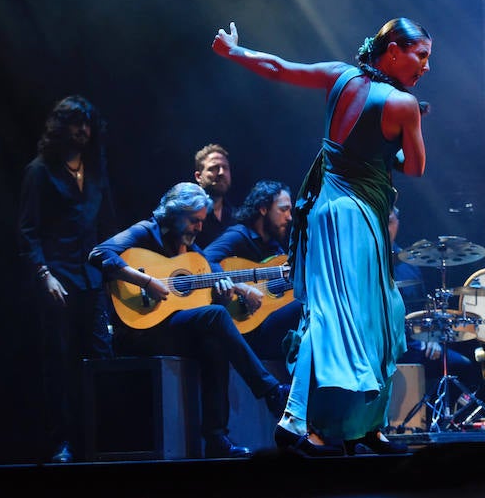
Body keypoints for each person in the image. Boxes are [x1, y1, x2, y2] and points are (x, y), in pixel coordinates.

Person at [212, 17, 431, 456]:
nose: (426, 66)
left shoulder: (340, 75)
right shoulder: (403, 104)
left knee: (361, 313)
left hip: (324, 210)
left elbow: (279, 67)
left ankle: (362, 429)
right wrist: (402, 134)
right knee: (354, 319)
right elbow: (414, 167)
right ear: (393, 51)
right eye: (420, 55)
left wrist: (233, 51)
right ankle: (297, 424)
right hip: (358, 218)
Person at [88, 182, 290, 458]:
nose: (199, 228)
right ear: (174, 214)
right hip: (138, 332)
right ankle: (270, 391)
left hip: (169, 329)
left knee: (214, 342)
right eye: (194, 221)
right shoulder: (145, 232)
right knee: (215, 318)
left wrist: (231, 290)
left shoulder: (190, 250)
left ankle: (216, 439)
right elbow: (99, 253)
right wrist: (146, 281)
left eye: (202, 222)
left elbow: (211, 272)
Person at [17, 94, 118, 463]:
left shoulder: (96, 174)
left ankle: (101, 439)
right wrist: (44, 275)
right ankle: (60, 443)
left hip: (92, 281)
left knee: (101, 359)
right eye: (76, 123)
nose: (82, 130)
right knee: (58, 365)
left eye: (87, 124)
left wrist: (115, 274)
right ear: (61, 127)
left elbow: (109, 227)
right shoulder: (40, 170)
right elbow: (27, 232)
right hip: (57, 279)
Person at [390, 206, 481, 412]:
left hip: (412, 345)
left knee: (464, 367)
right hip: (378, 347)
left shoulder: (410, 263)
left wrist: (431, 338)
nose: (386, 228)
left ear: (398, 223)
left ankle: (434, 417)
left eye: (390, 222)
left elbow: (422, 307)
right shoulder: (363, 260)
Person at [202, 179, 303, 361]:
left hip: (266, 327)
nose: (289, 217)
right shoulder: (238, 235)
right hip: (241, 330)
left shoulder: (276, 250)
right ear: (263, 209)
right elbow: (203, 261)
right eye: (283, 209)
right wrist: (242, 288)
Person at [193, 143, 236, 247]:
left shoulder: (236, 216)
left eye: (225, 168)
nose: (221, 173)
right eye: (214, 168)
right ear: (198, 176)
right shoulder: (188, 213)